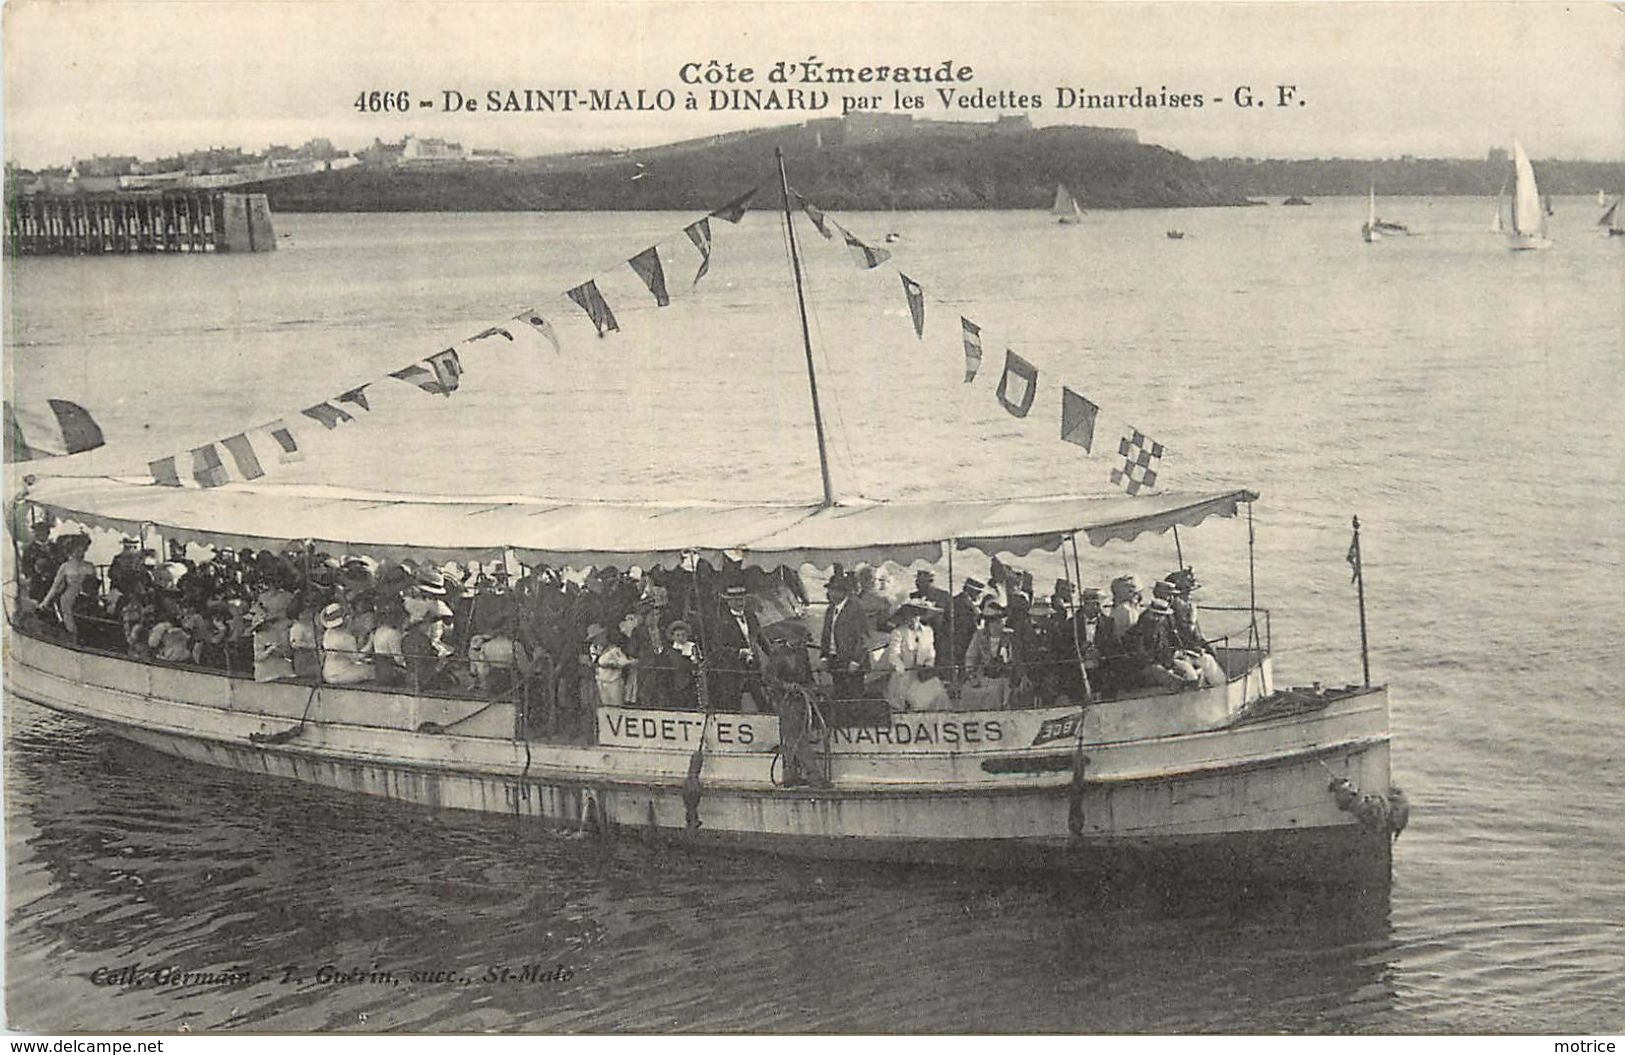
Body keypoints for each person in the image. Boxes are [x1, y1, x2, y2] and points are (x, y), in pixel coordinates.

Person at [709, 584, 768, 712]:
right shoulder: (722, 621)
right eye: (736, 600)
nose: (740, 603)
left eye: (742, 599)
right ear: (729, 602)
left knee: (762, 700)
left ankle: (769, 725)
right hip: (734, 668)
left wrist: (771, 652)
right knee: (733, 702)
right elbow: (717, 648)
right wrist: (738, 652)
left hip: (752, 667)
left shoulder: (751, 616)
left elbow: (760, 637)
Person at [883, 600, 947, 711]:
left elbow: (931, 653)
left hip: (922, 674)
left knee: (937, 696)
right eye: (910, 614)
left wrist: (927, 666)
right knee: (902, 703)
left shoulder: (928, 631)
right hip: (903, 674)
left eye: (917, 614)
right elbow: (894, 655)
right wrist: (902, 669)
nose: (913, 618)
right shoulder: (898, 632)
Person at [820, 574, 871, 703]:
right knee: (839, 695)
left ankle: (856, 721)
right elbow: (826, 635)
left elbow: (863, 638)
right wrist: (824, 657)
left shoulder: (856, 608)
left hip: (851, 663)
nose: (831, 593)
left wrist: (855, 661)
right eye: (830, 590)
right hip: (835, 661)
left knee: (854, 697)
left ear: (844, 592)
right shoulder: (830, 610)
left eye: (835, 590)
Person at [39, 534, 97, 639]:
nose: (80, 552)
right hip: (69, 598)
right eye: (77, 549)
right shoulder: (65, 567)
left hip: (87, 598)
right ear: (71, 550)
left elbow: (94, 586)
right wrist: (45, 602)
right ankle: (73, 637)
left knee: (92, 616)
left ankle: (89, 639)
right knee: (71, 621)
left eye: (83, 549)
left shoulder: (90, 566)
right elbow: (55, 587)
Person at [1072, 586, 1119, 697]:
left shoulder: (1109, 623)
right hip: (1078, 670)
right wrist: (1080, 650)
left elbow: (1115, 648)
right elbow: (1063, 649)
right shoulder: (1072, 624)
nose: (1097, 608)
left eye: (1099, 604)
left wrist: (1100, 653)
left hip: (1101, 669)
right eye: (1093, 604)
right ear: (1085, 605)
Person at [651, 619, 702, 709]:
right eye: (678, 635)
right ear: (673, 637)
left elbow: (696, 666)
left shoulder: (692, 649)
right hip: (675, 688)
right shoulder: (668, 653)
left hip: (690, 687)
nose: (681, 638)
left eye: (683, 635)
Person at [320, 603, 374, 685]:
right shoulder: (346, 638)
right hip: (341, 673)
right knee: (372, 671)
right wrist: (371, 641)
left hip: (327, 672)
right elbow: (357, 657)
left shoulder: (328, 633)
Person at [965, 600, 1019, 681]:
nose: (998, 625)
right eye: (994, 622)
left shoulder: (1010, 636)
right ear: (988, 624)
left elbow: (1015, 660)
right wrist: (972, 674)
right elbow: (970, 658)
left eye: (1000, 622)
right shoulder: (979, 636)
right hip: (983, 680)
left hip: (1005, 679)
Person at [586, 622, 636, 708]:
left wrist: (613, 664)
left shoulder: (614, 649)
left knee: (616, 706)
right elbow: (594, 661)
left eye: (598, 637)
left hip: (613, 681)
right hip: (600, 681)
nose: (597, 640)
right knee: (605, 707)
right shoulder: (593, 648)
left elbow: (623, 662)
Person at [251, 593, 295, 682]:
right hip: (265, 671)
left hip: (280, 669)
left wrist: (280, 651)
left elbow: (287, 652)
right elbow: (257, 657)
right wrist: (269, 650)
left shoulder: (278, 633)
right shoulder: (258, 636)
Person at [367, 603, 409, 688]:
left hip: (379, 670)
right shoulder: (393, 634)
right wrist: (409, 667)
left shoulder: (378, 630)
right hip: (391, 671)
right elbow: (398, 658)